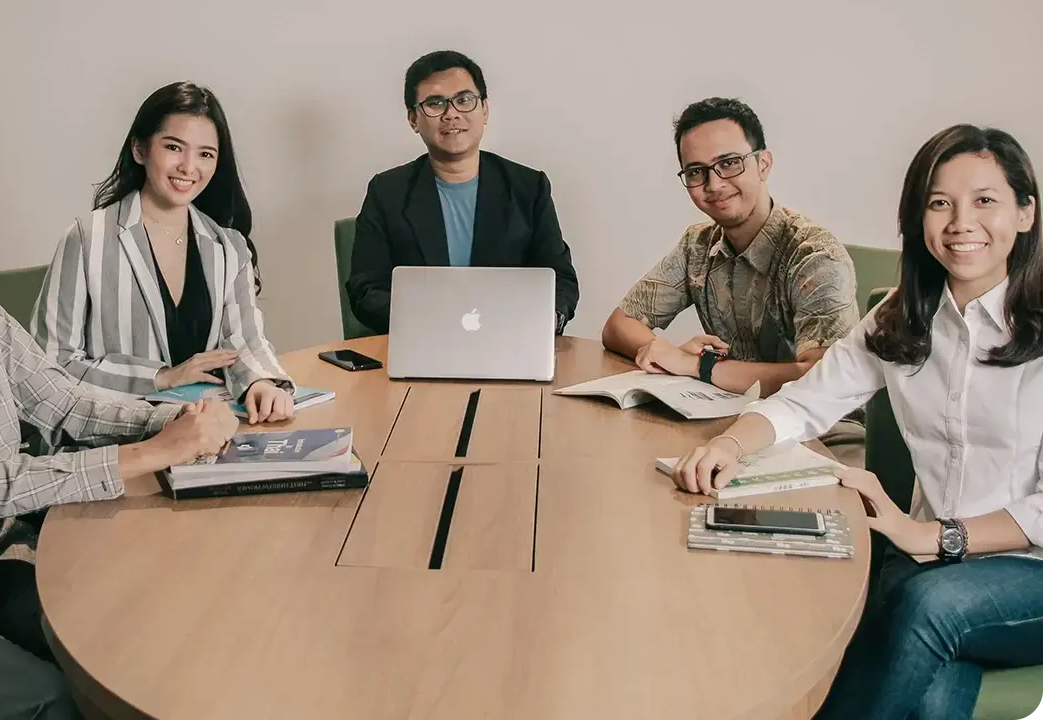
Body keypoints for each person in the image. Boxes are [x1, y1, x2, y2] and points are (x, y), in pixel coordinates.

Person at [0, 97, 243, 717]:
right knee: (57, 700)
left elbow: (64, 401)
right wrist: (152, 452)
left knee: (148, 643)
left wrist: (177, 418)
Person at [670, 124, 1043, 719]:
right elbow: (803, 400)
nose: (959, 223)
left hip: (1022, 568)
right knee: (932, 684)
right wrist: (732, 444)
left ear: (1025, 213)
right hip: (932, 567)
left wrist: (936, 535)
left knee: (928, 608)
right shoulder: (901, 318)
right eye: (939, 202)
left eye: (985, 201)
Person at [601, 96, 863, 461]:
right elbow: (619, 325)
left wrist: (700, 367)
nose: (714, 184)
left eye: (729, 163)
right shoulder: (698, 245)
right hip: (731, 421)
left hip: (822, 433)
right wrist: (671, 354)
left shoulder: (814, 255)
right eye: (696, 171)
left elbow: (820, 379)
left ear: (763, 163)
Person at [33, 81, 294, 423]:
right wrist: (160, 378)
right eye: (174, 147)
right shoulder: (88, 237)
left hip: (206, 432)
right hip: (116, 438)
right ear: (140, 150)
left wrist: (262, 383)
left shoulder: (228, 245)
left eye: (205, 154)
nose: (189, 167)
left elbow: (243, 340)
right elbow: (51, 363)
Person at [346, 50, 579, 334]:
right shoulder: (387, 192)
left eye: (464, 100)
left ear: (485, 110)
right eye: (435, 103)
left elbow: (560, 280)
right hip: (421, 342)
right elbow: (366, 289)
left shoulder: (529, 188)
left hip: (509, 341)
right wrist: (434, 324)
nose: (451, 113)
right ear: (413, 119)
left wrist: (545, 322)